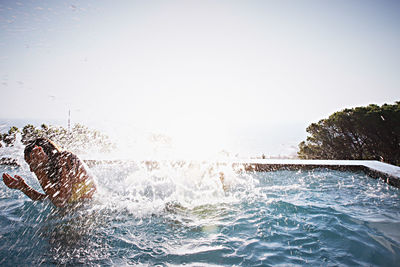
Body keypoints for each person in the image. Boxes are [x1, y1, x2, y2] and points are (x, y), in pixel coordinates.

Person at [2, 138, 96, 208]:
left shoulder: (65, 158)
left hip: (88, 208)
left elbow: (61, 201)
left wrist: (39, 170)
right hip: (74, 208)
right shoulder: (49, 170)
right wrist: (23, 187)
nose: (31, 169)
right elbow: (49, 199)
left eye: (31, 163)